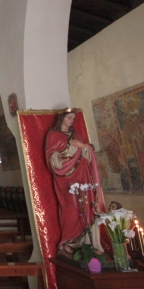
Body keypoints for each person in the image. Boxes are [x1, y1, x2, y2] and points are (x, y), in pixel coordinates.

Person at [45, 109, 105, 255]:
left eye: (73, 118)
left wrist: (84, 147)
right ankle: (68, 240)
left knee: (86, 205)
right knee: (71, 208)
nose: (71, 121)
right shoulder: (53, 135)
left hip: (83, 175)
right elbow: (51, 157)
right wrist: (59, 158)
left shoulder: (77, 135)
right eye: (68, 118)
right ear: (61, 119)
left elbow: (89, 151)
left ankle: (88, 242)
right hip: (66, 179)